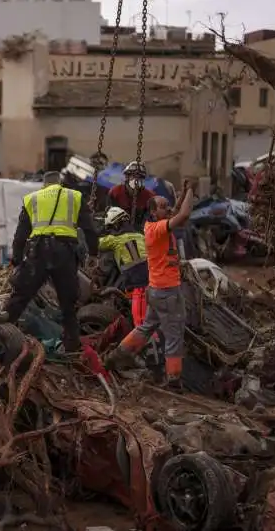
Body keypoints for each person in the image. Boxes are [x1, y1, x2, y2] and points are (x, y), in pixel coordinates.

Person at [104, 179, 196, 387]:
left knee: (146, 327)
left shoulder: (154, 224)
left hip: (155, 290)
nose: (168, 209)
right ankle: (174, 380)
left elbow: (174, 211)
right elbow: (184, 215)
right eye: (163, 207)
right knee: (174, 334)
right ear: (153, 212)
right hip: (167, 291)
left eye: (167, 205)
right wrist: (191, 190)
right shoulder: (157, 230)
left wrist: (181, 195)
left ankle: (115, 356)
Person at [1, 171, 99, 353]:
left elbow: (20, 235)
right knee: (68, 302)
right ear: (60, 183)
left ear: (44, 185)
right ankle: (72, 346)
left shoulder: (32, 198)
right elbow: (89, 229)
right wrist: (93, 254)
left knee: (21, 296)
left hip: (38, 251)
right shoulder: (74, 196)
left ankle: (2, 334)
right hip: (65, 251)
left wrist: (16, 260)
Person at [99, 207, 149, 325]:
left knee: (141, 323)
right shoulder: (140, 236)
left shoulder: (113, 240)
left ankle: (148, 341)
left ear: (116, 226)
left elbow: (96, 242)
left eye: (110, 228)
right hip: (151, 279)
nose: (109, 231)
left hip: (137, 284)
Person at [107, 161, 156, 231]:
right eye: (133, 175)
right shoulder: (115, 192)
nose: (136, 179)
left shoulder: (149, 196)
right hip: (118, 230)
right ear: (127, 176)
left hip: (140, 231)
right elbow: (111, 215)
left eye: (139, 177)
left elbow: (149, 219)